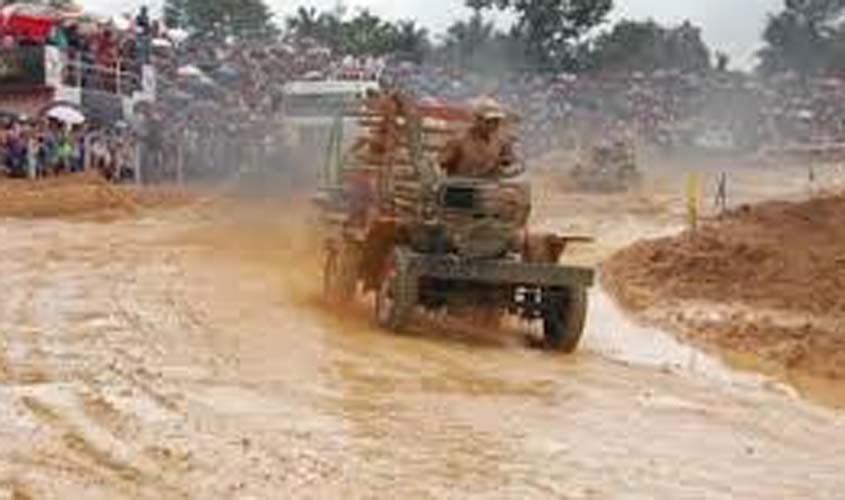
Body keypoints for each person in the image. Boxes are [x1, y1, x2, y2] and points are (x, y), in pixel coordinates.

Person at [439, 97, 516, 178]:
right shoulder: (459, 140)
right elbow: (440, 163)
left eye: (496, 121)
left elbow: (508, 161)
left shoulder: (500, 140)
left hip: (490, 184)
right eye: (488, 122)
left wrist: (507, 161)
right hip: (461, 186)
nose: (492, 125)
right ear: (477, 120)